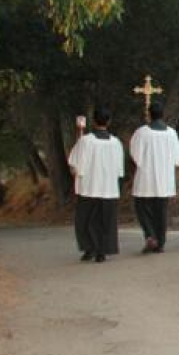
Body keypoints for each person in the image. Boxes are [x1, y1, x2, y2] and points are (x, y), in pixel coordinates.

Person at [68, 106, 124, 263]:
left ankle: (89, 248)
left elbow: (75, 164)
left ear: (93, 121)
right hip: (108, 188)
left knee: (87, 220)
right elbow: (120, 170)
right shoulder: (116, 143)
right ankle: (103, 251)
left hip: (89, 187)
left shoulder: (85, 141)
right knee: (105, 221)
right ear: (109, 121)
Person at [130, 101, 179, 253]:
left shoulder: (142, 132)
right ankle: (160, 243)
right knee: (161, 210)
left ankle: (151, 235)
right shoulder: (171, 133)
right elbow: (176, 159)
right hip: (165, 176)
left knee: (141, 206)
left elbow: (135, 154)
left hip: (146, 176)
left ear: (149, 114)